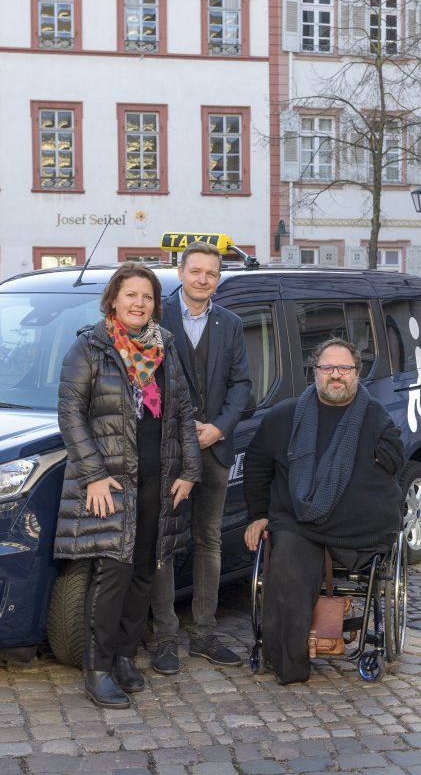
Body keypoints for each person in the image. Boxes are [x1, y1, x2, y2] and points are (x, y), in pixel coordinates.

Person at [56, 262, 202, 709]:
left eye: (147, 297)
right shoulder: (90, 348)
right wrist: (94, 475)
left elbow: (182, 412)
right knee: (112, 574)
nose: (139, 304)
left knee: (144, 571)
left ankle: (123, 655)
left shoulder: (166, 347)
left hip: (160, 479)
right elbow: (70, 415)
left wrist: (190, 471)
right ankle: (97, 668)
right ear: (113, 300)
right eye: (131, 295)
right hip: (113, 482)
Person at [243, 338, 404, 685]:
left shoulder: (376, 416)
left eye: (344, 368)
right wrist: (258, 514)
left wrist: (389, 450)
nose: (335, 375)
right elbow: (256, 464)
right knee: (284, 561)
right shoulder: (284, 416)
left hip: (358, 529)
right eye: (327, 368)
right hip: (299, 523)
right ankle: (288, 662)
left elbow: (395, 465)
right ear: (314, 373)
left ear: (356, 374)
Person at [149, 241, 252, 673]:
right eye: (196, 272)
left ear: (218, 278)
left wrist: (219, 428)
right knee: (165, 542)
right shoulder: (155, 318)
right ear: (180, 271)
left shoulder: (230, 323)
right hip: (167, 451)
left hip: (214, 447)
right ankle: (164, 636)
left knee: (208, 539)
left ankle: (205, 632)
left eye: (211, 273)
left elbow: (241, 384)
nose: (203, 280)